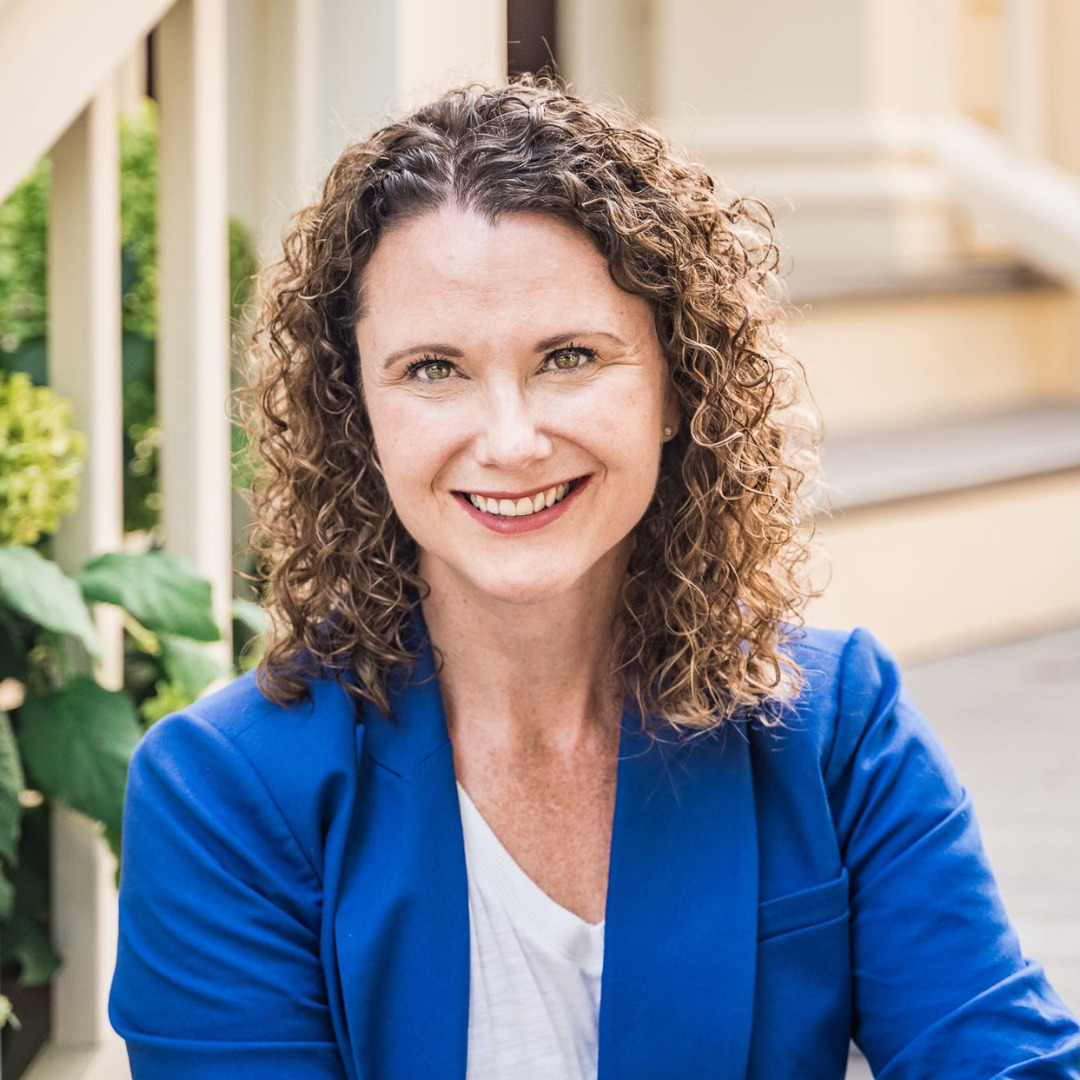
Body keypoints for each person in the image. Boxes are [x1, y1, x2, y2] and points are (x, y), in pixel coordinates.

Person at [108, 77, 1079, 1079]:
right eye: (433, 369)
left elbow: (1000, 1056)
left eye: (569, 356)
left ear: (676, 388)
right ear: (360, 416)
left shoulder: (834, 728)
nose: (512, 439)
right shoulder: (223, 793)